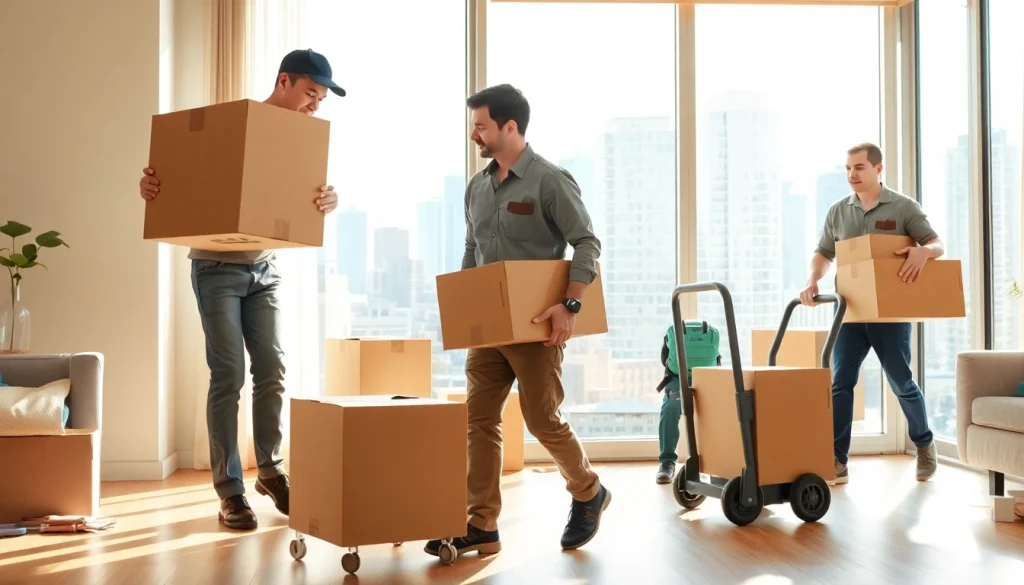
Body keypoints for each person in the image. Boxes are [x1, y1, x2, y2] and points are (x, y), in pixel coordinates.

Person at [138, 49, 344, 530]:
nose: (316, 105)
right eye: (311, 94)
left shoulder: (299, 139)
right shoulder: (234, 125)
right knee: (228, 373)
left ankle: (270, 471)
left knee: (272, 366)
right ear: (284, 81)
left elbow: (298, 191)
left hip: (264, 268)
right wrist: (154, 184)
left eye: (321, 99)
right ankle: (230, 490)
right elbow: (180, 173)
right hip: (215, 267)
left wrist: (327, 198)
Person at [425, 84, 610, 557]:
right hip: (488, 328)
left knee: (542, 419)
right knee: (478, 419)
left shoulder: (549, 180)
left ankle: (588, 491)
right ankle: (480, 524)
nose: (474, 134)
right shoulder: (476, 186)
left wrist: (570, 307)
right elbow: (473, 249)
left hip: (536, 326)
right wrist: (467, 306)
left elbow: (586, 243)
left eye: (481, 125)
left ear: (510, 127)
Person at [800, 142, 942, 485]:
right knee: (840, 383)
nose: (852, 174)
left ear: (878, 169)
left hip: (890, 315)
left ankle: (924, 444)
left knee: (901, 382)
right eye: (848, 168)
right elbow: (823, 253)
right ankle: (837, 459)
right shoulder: (838, 211)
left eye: (860, 167)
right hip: (848, 312)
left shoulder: (904, 207)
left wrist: (923, 253)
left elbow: (936, 244)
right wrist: (812, 280)